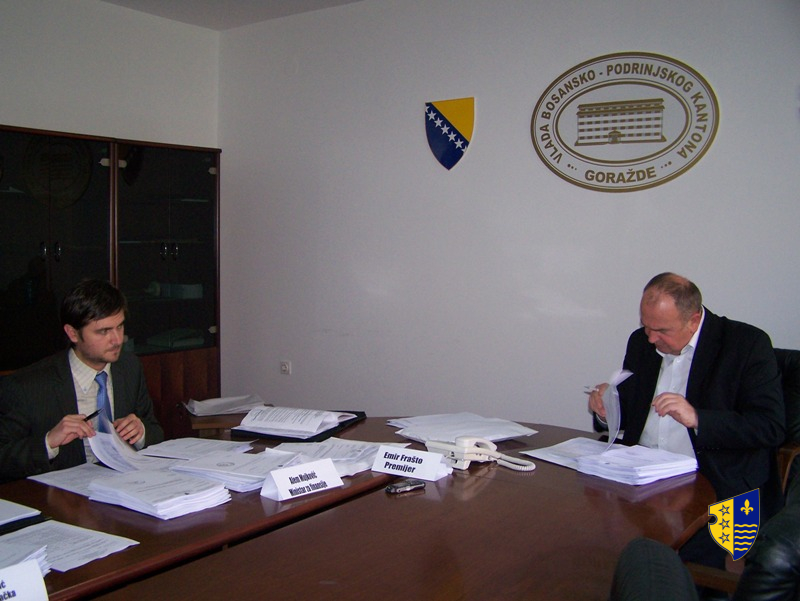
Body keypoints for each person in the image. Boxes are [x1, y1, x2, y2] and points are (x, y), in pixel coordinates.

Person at [588, 272, 785, 569]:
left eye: (661, 330)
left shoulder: (746, 344)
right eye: (646, 326)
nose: (651, 338)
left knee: (694, 569)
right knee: (595, 542)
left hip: (717, 484)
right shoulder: (641, 343)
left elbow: (770, 426)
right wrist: (607, 408)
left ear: (693, 320)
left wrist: (698, 419)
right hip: (644, 476)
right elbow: (630, 409)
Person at [0, 279, 164, 483]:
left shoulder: (129, 367)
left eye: (120, 326)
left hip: (126, 484)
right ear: (73, 333)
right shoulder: (26, 386)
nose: (117, 340)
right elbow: (3, 456)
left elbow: (155, 431)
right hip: (61, 492)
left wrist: (141, 432)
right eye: (103, 331)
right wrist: (48, 442)